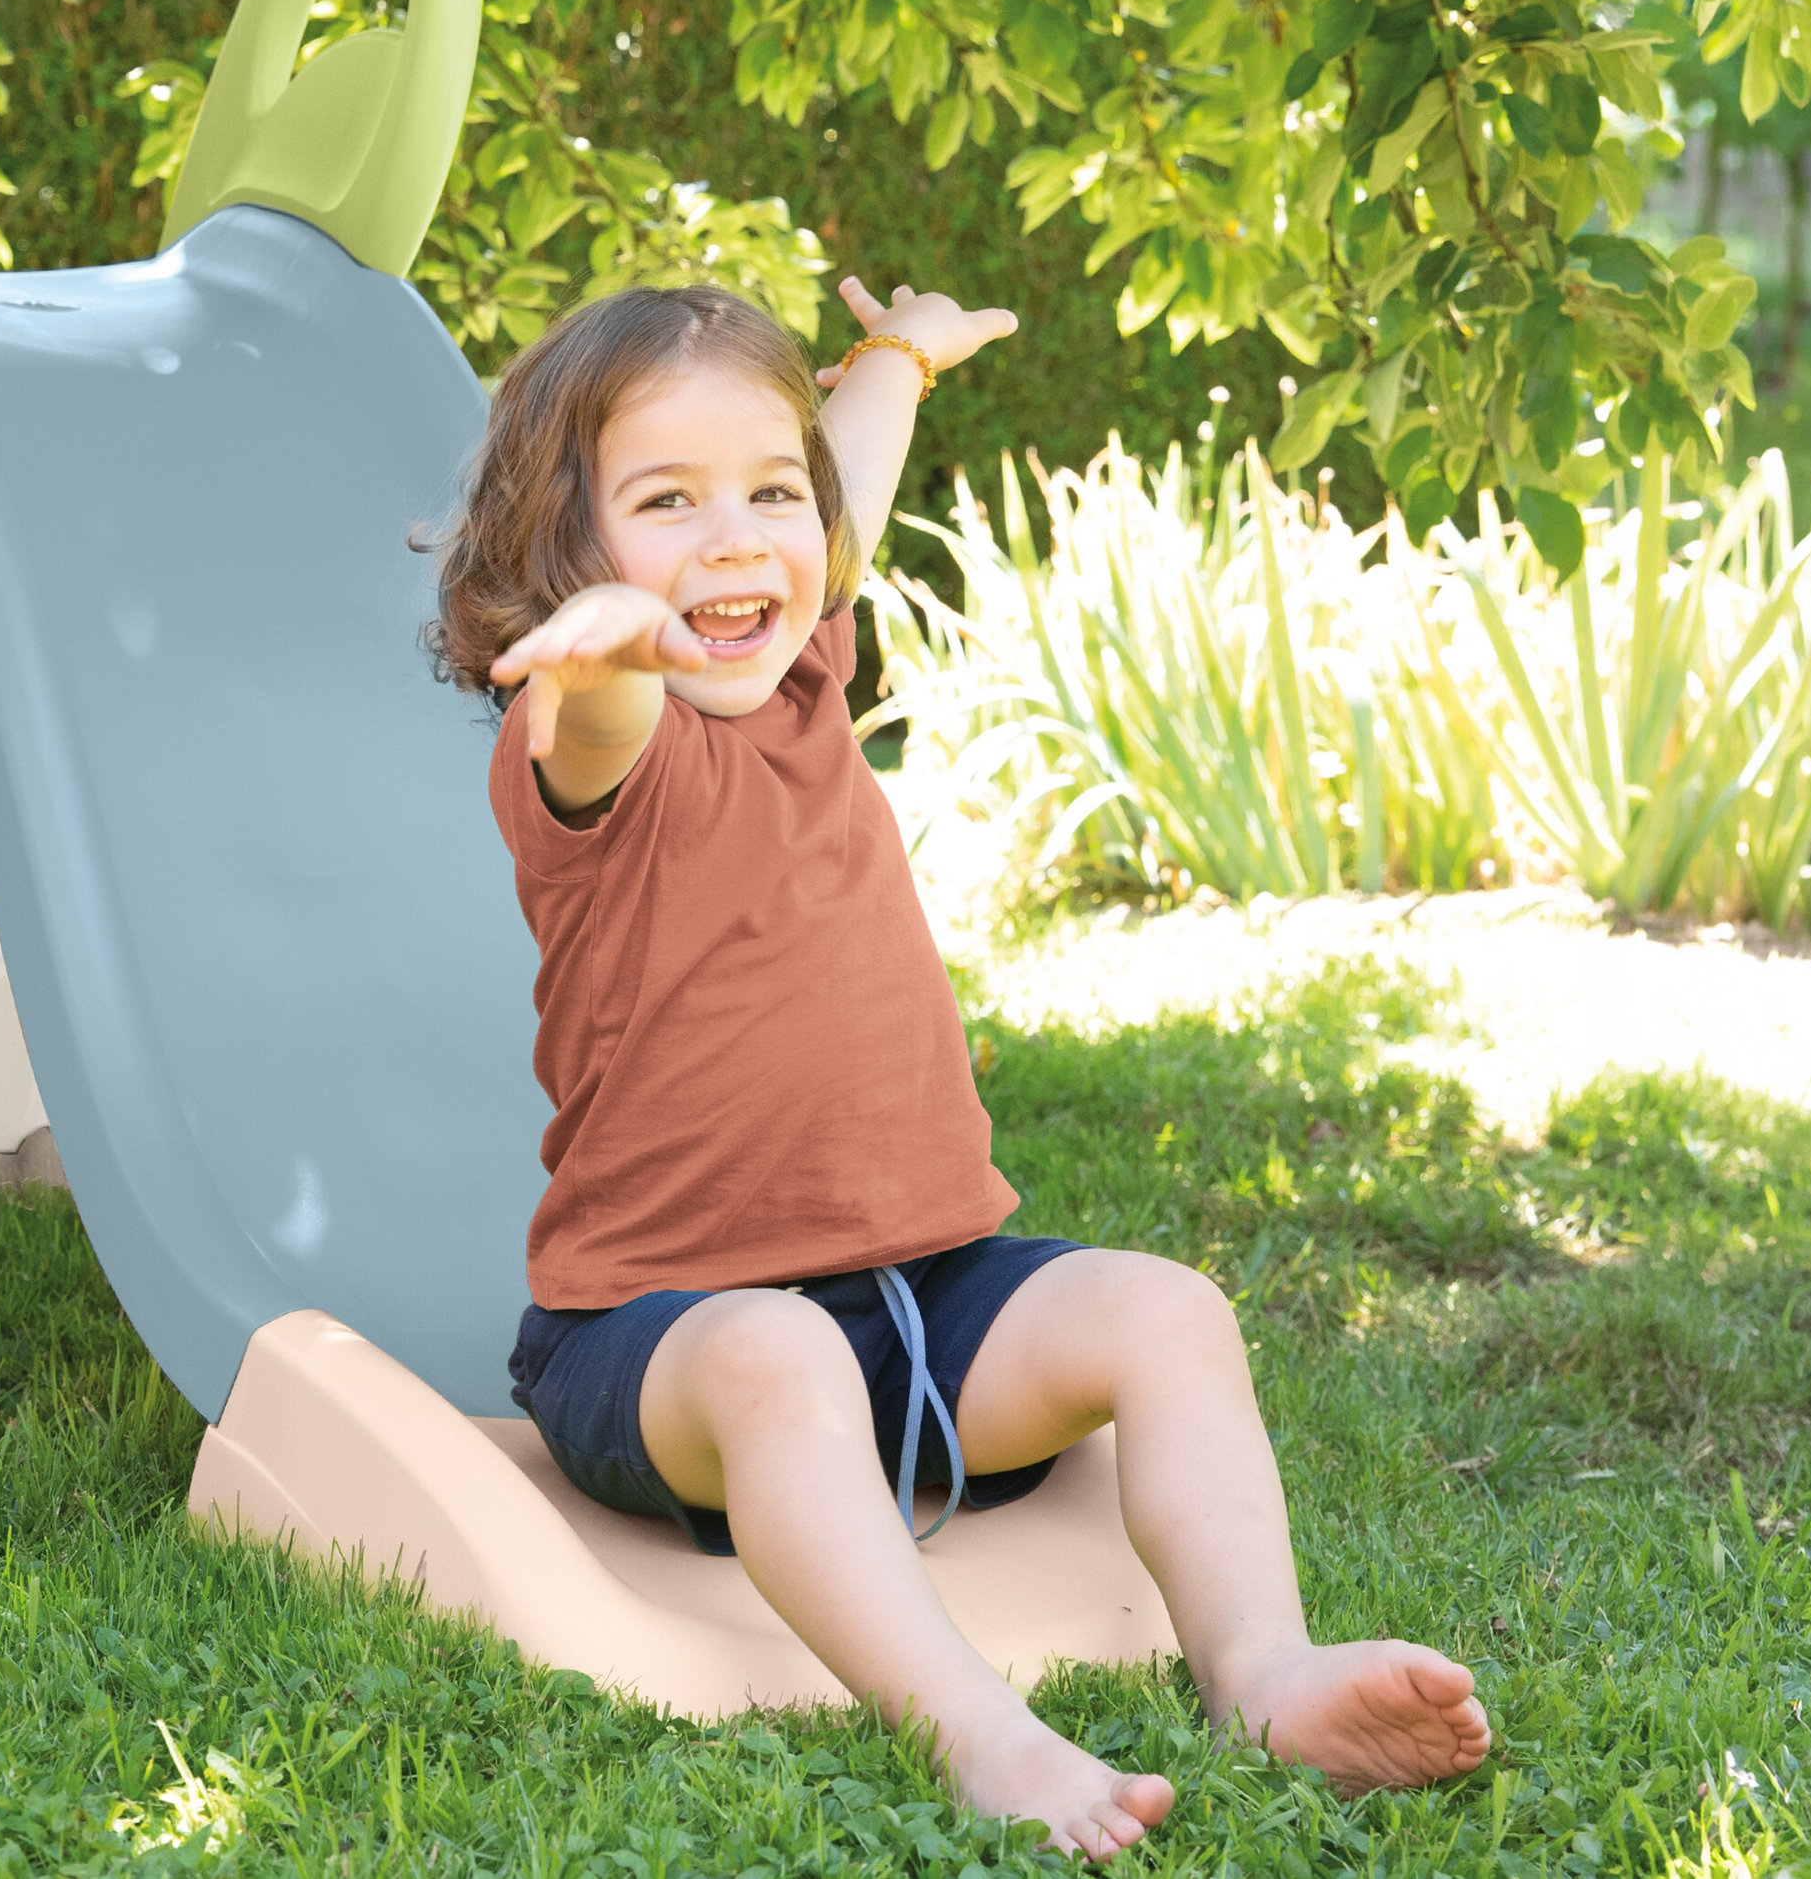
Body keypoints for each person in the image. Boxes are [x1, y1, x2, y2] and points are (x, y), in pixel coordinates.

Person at [426, 276, 1490, 1861]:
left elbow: (842, 479)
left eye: (763, 497)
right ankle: (978, 1733)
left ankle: (1265, 1671)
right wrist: (594, 654)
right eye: (665, 504)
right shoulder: (597, 747)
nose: (735, 540)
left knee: (1165, 1311)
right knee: (778, 1355)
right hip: (662, 1350)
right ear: (563, 549)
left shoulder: (803, 673)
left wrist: (900, 358)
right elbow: (602, 719)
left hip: (926, 1310)